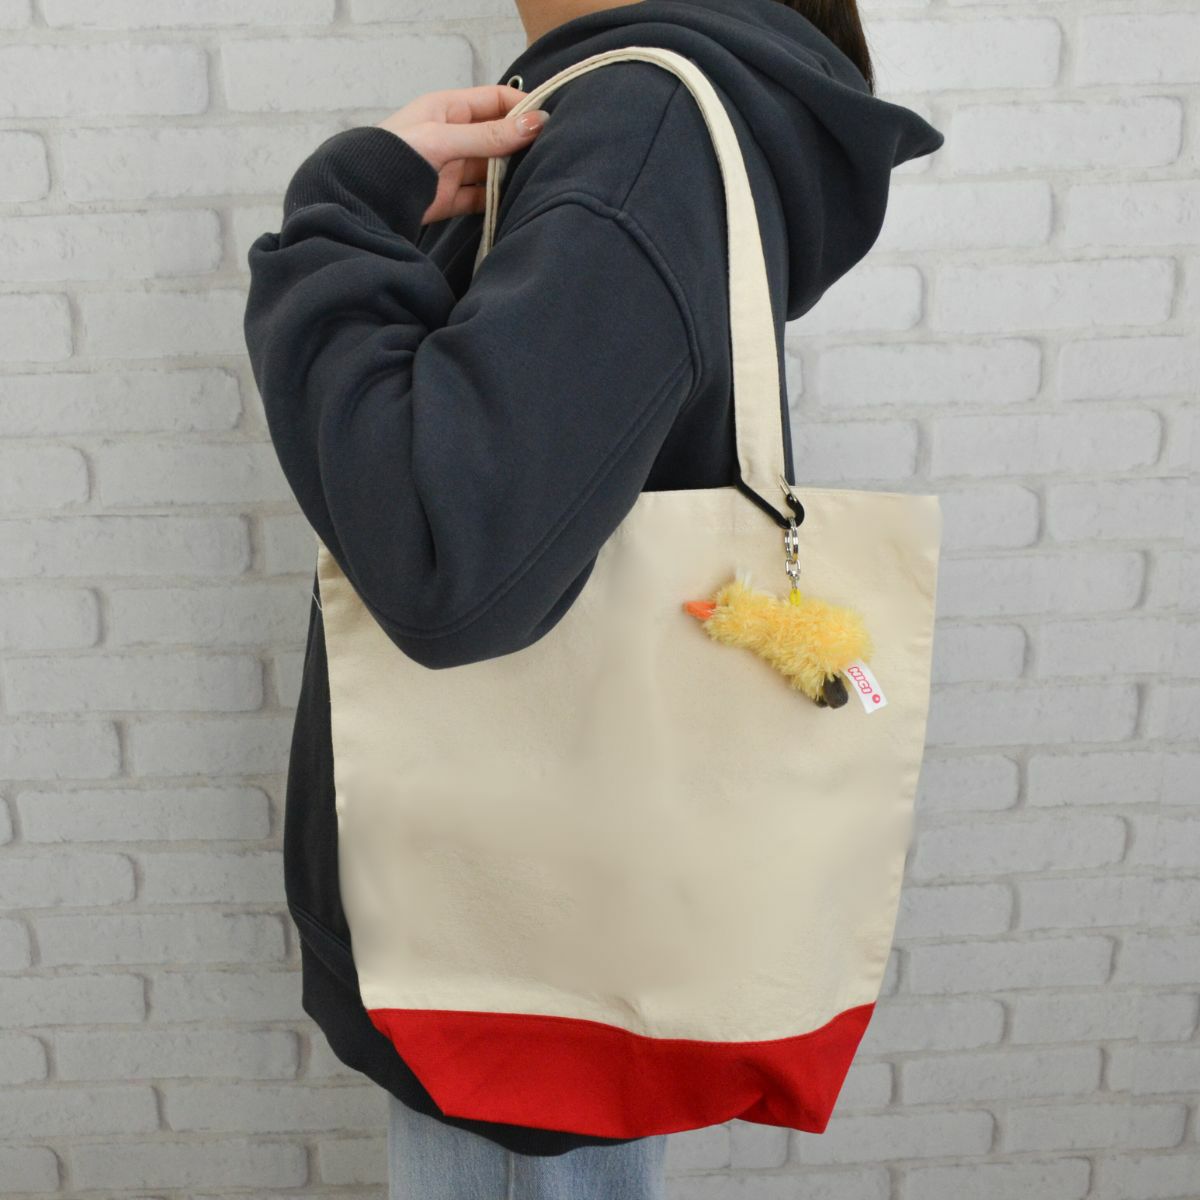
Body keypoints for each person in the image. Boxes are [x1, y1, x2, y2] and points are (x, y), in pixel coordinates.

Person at [243, 0, 943, 1194]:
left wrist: (342, 212)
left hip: (509, 949)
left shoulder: (640, 134)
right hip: (572, 909)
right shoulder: (646, 121)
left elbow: (445, 560)